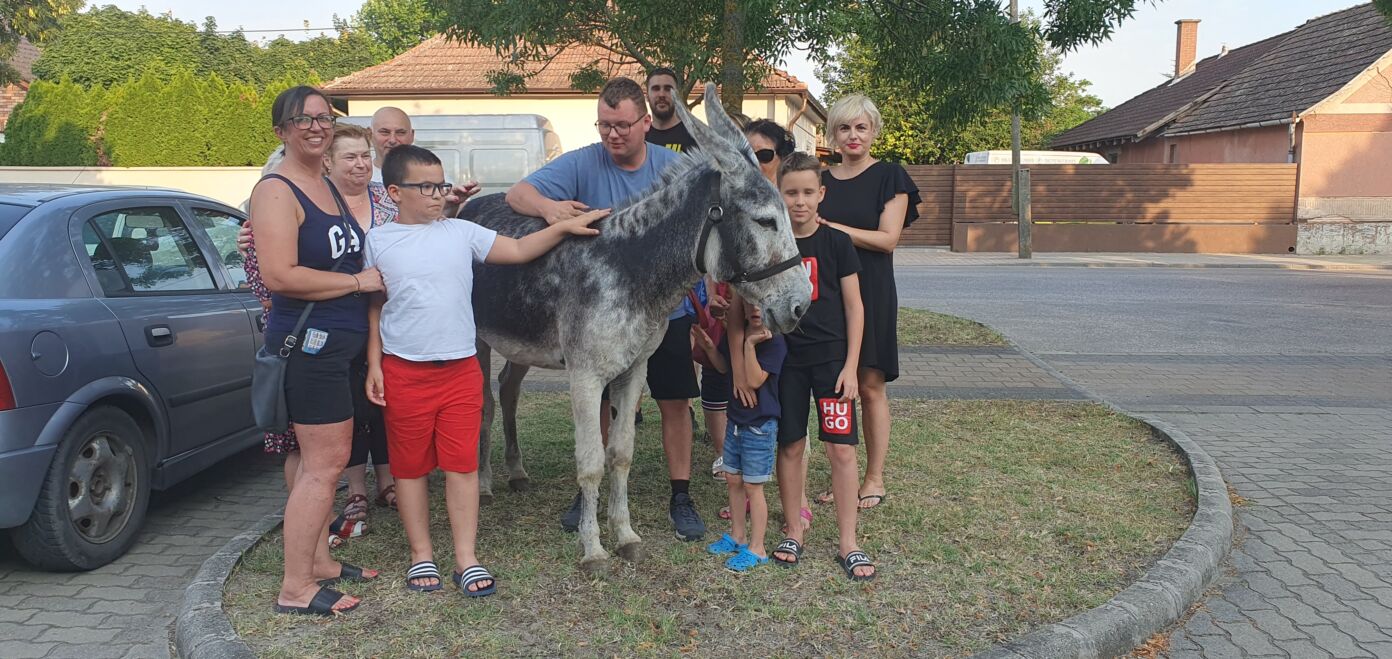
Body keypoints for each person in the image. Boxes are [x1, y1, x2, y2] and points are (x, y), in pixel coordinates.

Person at [364, 145, 607, 596]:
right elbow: (376, 306)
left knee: (462, 466)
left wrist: (563, 226)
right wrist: (375, 363)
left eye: (441, 185)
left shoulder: (461, 232)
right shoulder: (377, 241)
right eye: (426, 187)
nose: (439, 194)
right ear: (395, 191)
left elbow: (516, 250)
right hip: (404, 372)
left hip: (459, 372)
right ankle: (421, 555)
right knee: (411, 469)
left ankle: (466, 557)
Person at [504, 76, 707, 541]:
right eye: (604, 125)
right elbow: (516, 196)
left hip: (665, 312)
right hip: (601, 318)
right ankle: (587, 493)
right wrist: (551, 209)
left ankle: (681, 494)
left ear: (645, 122)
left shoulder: (670, 170)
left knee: (674, 402)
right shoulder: (581, 162)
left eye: (622, 126)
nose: (613, 135)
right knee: (598, 399)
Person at [251, 86, 384, 616]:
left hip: (341, 347)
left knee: (318, 460)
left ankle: (321, 562)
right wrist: (358, 284)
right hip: (311, 349)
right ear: (281, 129)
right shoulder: (278, 190)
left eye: (323, 117)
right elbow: (281, 274)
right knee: (323, 466)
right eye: (302, 119)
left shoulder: (324, 183)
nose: (315, 126)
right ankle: (295, 588)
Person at [770, 152, 875, 581]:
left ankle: (848, 541)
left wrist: (851, 366)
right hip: (787, 363)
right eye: (791, 192)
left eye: (808, 192)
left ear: (821, 194)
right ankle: (794, 529)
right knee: (791, 446)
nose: (799, 201)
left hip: (832, 364)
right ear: (779, 195)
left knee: (841, 449)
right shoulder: (774, 244)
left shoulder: (836, 243)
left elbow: (855, 307)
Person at [813, 94, 921, 511]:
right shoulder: (821, 179)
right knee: (832, 387)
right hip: (827, 293)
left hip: (871, 289)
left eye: (861, 127)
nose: (853, 135)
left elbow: (887, 239)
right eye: (844, 127)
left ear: (873, 130)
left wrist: (830, 226)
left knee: (870, 385)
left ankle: (873, 477)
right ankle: (843, 474)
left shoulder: (891, 176)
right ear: (832, 134)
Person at [697, 303, 786, 572]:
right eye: (750, 304)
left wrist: (748, 346)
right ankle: (737, 535)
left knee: (753, 486)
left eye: (762, 304)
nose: (756, 309)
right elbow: (726, 367)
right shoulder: (737, 334)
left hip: (760, 426)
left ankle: (757, 548)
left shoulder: (774, 341)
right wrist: (709, 346)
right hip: (735, 421)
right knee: (733, 479)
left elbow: (755, 379)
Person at [644, 67, 697, 153]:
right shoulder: (640, 137)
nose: (661, 94)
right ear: (647, 96)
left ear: (677, 95)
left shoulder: (695, 136)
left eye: (668, 89)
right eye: (656, 89)